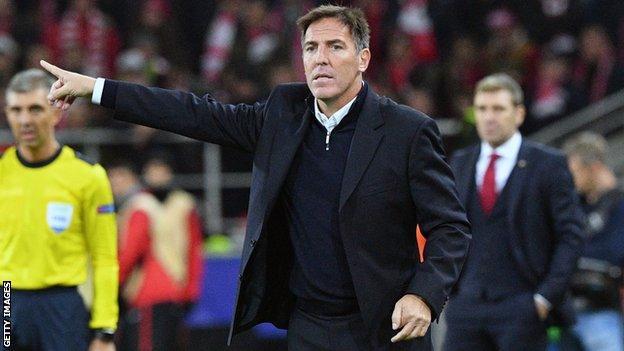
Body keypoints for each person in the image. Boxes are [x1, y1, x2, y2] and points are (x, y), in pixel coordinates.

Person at [40, 5, 471, 350]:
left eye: (335, 47)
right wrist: (97, 88)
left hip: (385, 328)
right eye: (310, 48)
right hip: (308, 327)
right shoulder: (283, 114)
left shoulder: (407, 130)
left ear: (363, 58)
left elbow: (450, 227)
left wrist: (424, 295)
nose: (320, 58)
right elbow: (195, 114)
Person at [444, 73, 585, 350]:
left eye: (498, 109)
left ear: (519, 114)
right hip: (466, 306)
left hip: (523, 305)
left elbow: (571, 236)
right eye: (482, 109)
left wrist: (544, 297)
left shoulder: (548, 164)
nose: (489, 117)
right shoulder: (460, 162)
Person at [0, 68, 118, 351]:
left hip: (63, 304)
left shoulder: (89, 176)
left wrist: (105, 331)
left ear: (56, 112)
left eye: (35, 109)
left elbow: (104, 258)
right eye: (16, 110)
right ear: (7, 113)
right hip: (6, 299)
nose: (25, 120)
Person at [107, 157, 203, 351]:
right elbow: (195, 252)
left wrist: (111, 284)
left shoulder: (140, 208)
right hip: (174, 289)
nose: (115, 184)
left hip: (148, 294)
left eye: (120, 177)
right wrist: (190, 291)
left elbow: (130, 252)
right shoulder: (183, 204)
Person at [563, 132, 624, 351]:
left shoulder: (619, 203)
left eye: (575, 172)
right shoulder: (577, 205)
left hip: (604, 311)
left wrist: (572, 255)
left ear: (594, 167)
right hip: (568, 312)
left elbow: (614, 253)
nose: (572, 180)